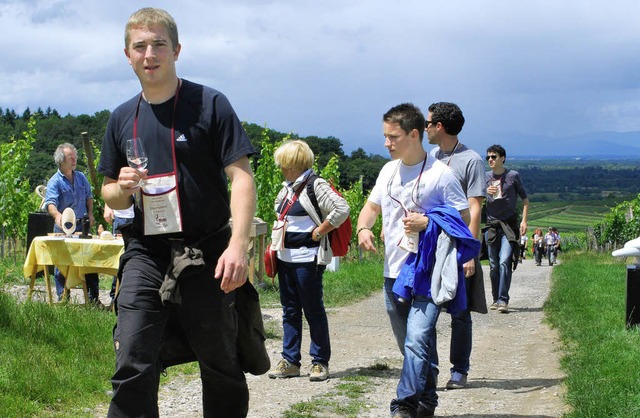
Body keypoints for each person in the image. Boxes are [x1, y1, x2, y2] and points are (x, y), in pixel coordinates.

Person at [97, 8, 256, 417]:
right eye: (140, 46)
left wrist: (238, 245)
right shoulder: (120, 118)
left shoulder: (210, 104)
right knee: (132, 356)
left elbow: (241, 177)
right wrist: (122, 188)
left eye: (159, 44)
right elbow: (108, 197)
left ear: (176, 50)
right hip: (146, 253)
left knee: (220, 362)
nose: (150, 54)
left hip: (209, 252)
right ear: (127, 55)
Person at [357, 103, 470, 418]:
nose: (386, 143)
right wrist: (363, 227)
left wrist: (429, 223)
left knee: (417, 339)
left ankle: (403, 406)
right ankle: (427, 401)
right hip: (393, 273)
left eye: (392, 137)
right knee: (411, 345)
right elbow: (371, 208)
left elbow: (463, 220)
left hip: (428, 273)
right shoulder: (387, 170)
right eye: (385, 136)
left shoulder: (442, 176)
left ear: (414, 134)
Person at [267, 140, 350, 382]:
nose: (280, 167)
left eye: (283, 163)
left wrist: (320, 230)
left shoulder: (316, 185)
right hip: (285, 257)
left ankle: (319, 362)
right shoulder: (288, 187)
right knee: (289, 311)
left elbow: (341, 208)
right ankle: (290, 361)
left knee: (313, 310)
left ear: (293, 163)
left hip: (308, 258)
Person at [425, 102, 487, 390]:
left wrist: (470, 251)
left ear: (439, 126)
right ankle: (432, 369)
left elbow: (475, 207)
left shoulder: (471, 160)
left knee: (460, 312)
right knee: (428, 309)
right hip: (431, 243)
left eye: (427, 123)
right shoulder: (430, 157)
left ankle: (459, 370)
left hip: (458, 244)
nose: (424, 128)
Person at [44, 143, 100, 304]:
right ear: (61, 161)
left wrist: (90, 214)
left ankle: (94, 300)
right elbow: (51, 203)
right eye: (71, 158)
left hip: (82, 225)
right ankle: (63, 300)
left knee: (90, 261)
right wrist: (57, 215)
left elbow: (89, 197)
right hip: (64, 227)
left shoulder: (81, 177)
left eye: (75, 157)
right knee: (62, 264)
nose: (75, 160)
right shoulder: (55, 181)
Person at [484, 144, 529, 313]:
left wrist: (524, 221)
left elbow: (525, 200)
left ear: (502, 158)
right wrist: (484, 191)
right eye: (488, 157)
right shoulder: (485, 177)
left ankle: (503, 299)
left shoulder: (513, 176)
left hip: (509, 226)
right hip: (492, 225)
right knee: (494, 264)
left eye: (493, 157)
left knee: (504, 261)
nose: (490, 160)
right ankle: (496, 298)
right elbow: (475, 199)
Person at [102, 204, 134, 305]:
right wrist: (107, 206)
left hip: (140, 217)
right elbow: (108, 187)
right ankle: (114, 298)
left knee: (136, 259)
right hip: (120, 217)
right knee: (118, 258)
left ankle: (132, 296)